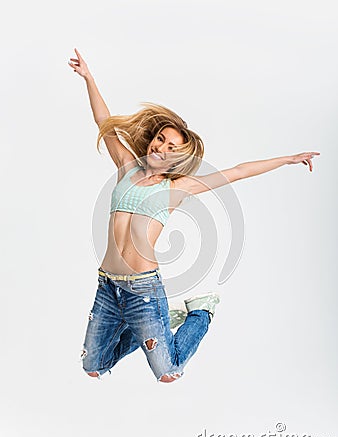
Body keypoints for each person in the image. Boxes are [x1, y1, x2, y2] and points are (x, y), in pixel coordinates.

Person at [68, 48, 320, 383]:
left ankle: (201, 311)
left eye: (172, 148)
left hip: (143, 289)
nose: (162, 148)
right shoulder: (126, 167)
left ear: (177, 160)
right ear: (151, 140)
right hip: (108, 285)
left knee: (169, 371)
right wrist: (89, 77)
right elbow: (105, 122)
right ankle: (157, 321)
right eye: (161, 139)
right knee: (93, 366)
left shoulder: (177, 189)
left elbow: (238, 171)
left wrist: (288, 158)